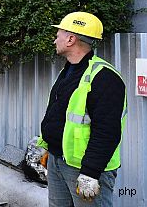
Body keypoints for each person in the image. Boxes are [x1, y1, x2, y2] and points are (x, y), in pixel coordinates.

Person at [38, 12, 126, 207]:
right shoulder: (68, 70)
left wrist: (90, 173)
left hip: (85, 170)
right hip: (57, 161)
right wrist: (48, 147)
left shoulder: (105, 78)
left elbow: (107, 131)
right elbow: (57, 113)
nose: (55, 39)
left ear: (71, 39)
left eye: (59, 34)